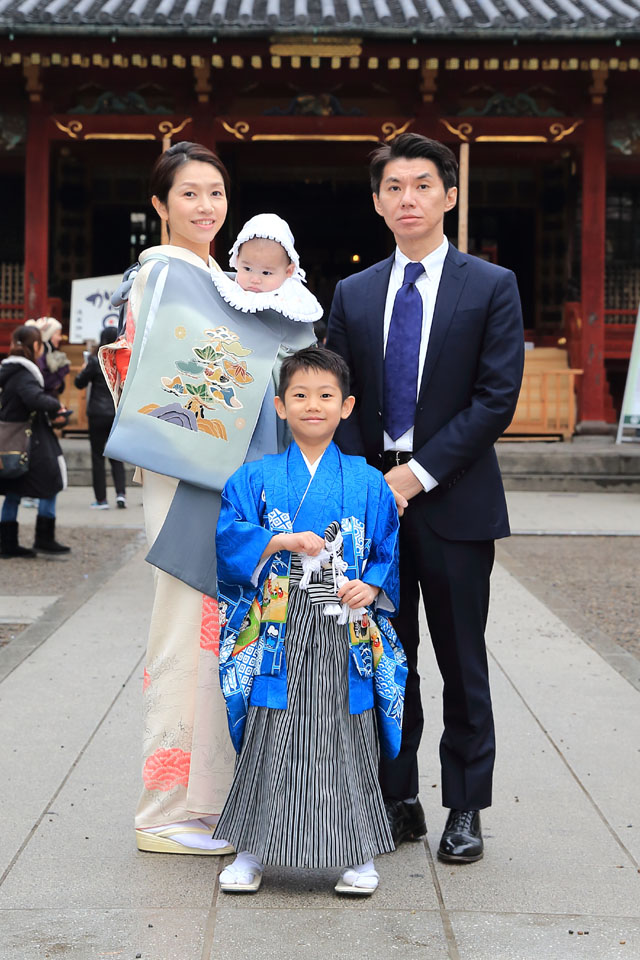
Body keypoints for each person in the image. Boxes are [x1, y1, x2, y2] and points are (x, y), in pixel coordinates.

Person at [98, 143, 318, 855]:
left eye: (216, 193)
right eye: (189, 193)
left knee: (216, 631)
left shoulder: (216, 278)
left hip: (213, 469)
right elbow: (151, 376)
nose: (206, 206)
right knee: (185, 631)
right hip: (189, 471)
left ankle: (205, 801)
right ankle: (163, 808)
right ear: (160, 205)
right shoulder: (165, 273)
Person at [326, 133, 524, 863]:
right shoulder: (352, 292)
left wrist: (416, 475)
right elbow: (337, 396)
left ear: (449, 194)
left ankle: (465, 805)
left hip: (456, 501)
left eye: (421, 185)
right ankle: (396, 797)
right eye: (393, 187)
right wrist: (365, 484)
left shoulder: (490, 286)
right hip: (371, 507)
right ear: (378, 202)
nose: (407, 198)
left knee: (461, 657)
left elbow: (495, 398)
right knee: (385, 654)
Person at [213, 346, 406, 896]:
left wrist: (371, 584)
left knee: (348, 734)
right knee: (270, 733)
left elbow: (387, 550)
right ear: (279, 405)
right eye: (300, 395)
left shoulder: (369, 481)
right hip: (278, 627)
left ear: (347, 407)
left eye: (325, 396)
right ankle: (252, 850)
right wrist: (279, 539)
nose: (312, 405)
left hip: (344, 626)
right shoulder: (255, 478)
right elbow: (229, 540)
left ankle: (358, 853)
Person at [0, 325, 70, 557]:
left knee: (14, 488)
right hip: (29, 439)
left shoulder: (11, 370)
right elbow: (33, 397)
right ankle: (44, 537)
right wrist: (56, 406)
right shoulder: (23, 373)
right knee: (51, 479)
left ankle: (7, 543)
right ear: (36, 346)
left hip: (14, 438)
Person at [74, 327, 127, 509]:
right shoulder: (120, 359)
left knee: (98, 457)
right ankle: (121, 494)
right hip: (114, 412)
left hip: (97, 413)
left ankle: (101, 500)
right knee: (116, 455)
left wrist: (83, 369)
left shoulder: (96, 360)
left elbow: (79, 383)